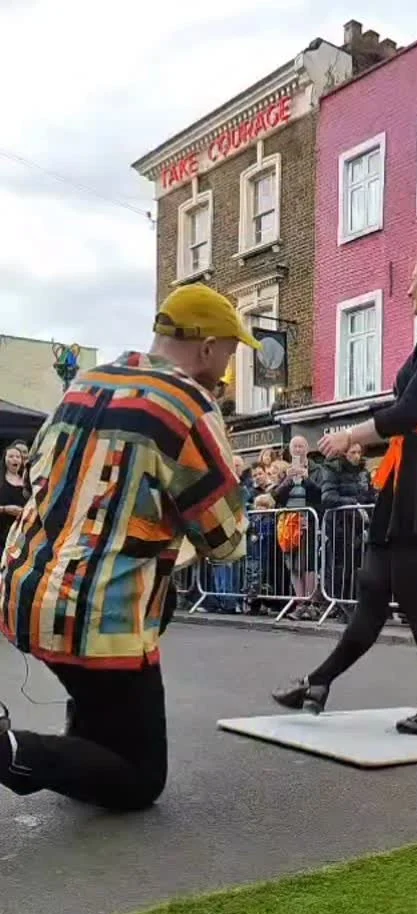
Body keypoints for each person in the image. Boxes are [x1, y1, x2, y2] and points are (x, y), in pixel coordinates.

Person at [0, 283, 252, 810]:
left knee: (105, 704)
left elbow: (37, 478)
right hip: (98, 612)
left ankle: (80, 745)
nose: (229, 368)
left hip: (24, 590)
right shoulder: (187, 405)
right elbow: (225, 539)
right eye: (231, 352)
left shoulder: (84, 384)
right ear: (208, 347)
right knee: (140, 777)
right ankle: (10, 752)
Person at [273, 246, 417, 735]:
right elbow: (407, 412)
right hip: (409, 471)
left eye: (414, 279)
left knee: (413, 593)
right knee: (372, 587)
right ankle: (319, 682)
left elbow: (409, 412)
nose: (407, 289)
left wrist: (350, 435)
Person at [321, 441, 375, 618]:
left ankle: (357, 605)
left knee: (359, 567)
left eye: (359, 452)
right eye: (353, 452)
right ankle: (341, 606)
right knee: (342, 568)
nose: (357, 456)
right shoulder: (332, 469)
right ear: (344, 453)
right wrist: (353, 503)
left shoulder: (363, 472)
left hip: (360, 525)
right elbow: (328, 497)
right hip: (340, 525)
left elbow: (370, 495)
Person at [273, 435, 322, 620]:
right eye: (295, 447)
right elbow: (276, 496)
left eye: (301, 446)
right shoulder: (286, 471)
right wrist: (288, 479)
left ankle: (311, 603)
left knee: (308, 564)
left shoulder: (317, 469)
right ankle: (300, 603)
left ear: (307, 449)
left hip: (308, 521)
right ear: (290, 450)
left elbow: (320, 495)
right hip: (288, 524)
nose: (298, 450)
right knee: (292, 565)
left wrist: (306, 479)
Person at [0, 445, 25, 554]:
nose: (15, 459)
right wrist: (5, 509)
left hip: (20, 538)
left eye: (18, 457)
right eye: (11, 456)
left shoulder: (27, 483)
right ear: (4, 459)